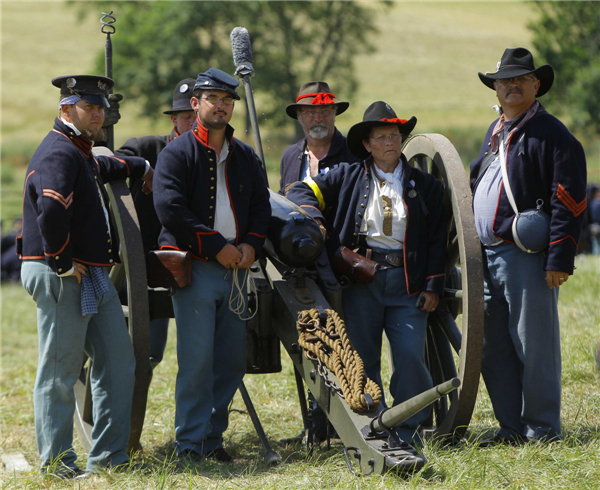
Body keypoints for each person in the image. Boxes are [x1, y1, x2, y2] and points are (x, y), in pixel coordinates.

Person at [287, 101, 447, 444]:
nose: (389, 142)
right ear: (367, 144)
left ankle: (411, 429)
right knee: (362, 359)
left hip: (407, 283)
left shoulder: (426, 185)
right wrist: (314, 216)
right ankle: (372, 429)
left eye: (394, 135)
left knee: (409, 359)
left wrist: (433, 284)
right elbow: (301, 190)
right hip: (362, 282)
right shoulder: (346, 176)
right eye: (381, 136)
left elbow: (438, 241)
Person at [18, 75, 153, 477]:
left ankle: (109, 457)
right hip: (59, 272)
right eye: (89, 108)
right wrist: (61, 261)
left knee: (117, 361)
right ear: (66, 109)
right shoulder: (59, 152)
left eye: (100, 109)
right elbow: (53, 208)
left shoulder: (79, 150)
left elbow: (102, 166)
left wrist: (139, 163)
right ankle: (57, 464)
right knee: (59, 372)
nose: (98, 115)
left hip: (89, 274)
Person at [153, 68, 271, 462]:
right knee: (197, 362)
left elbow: (261, 206)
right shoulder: (177, 153)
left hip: (237, 271)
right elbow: (170, 208)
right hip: (198, 268)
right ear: (196, 104)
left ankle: (212, 439)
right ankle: (189, 444)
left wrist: (252, 244)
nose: (221, 106)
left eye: (227, 100)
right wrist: (217, 246)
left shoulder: (245, 156)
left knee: (231, 362)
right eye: (213, 99)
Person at [470, 48, 587, 444]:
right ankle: (510, 427)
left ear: (536, 86)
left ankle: (542, 429)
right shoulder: (495, 131)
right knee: (492, 347)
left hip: (526, 256)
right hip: (485, 255)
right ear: (496, 88)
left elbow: (568, 198)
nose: (512, 86)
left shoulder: (551, 132)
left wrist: (560, 258)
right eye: (505, 80)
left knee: (533, 346)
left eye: (521, 79)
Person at [116, 78, 196, 368]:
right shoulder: (147, 148)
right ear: (174, 119)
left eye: (198, 116)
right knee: (142, 352)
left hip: (195, 259)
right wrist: (146, 168)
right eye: (188, 116)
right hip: (144, 264)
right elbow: (108, 161)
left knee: (159, 353)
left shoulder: (213, 159)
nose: (194, 122)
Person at [279, 81, 359, 195]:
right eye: (310, 112)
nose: (318, 119)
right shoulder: (289, 155)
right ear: (299, 116)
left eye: (324, 111)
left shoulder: (353, 152)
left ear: (334, 113)